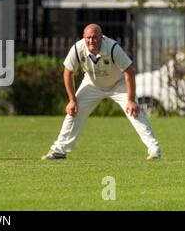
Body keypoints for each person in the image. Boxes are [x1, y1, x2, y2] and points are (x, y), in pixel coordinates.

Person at [42, 24, 161, 160]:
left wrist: (131, 100)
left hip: (118, 85)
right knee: (74, 112)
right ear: (83, 37)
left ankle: (154, 149)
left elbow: (130, 72)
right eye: (88, 38)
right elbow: (68, 73)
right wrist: (72, 100)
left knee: (134, 113)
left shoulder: (113, 47)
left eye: (95, 37)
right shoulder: (77, 48)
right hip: (92, 84)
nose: (91, 41)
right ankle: (59, 150)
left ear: (102, 37)